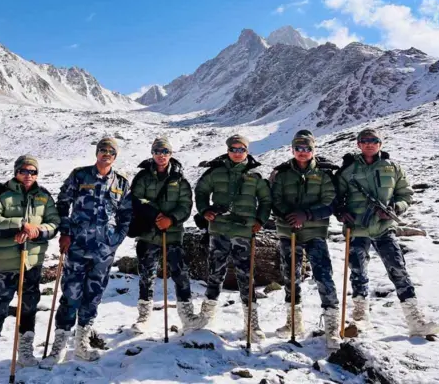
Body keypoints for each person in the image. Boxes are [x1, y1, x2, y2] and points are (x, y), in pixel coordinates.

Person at [335, 128, 439, 336]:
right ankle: (360, 316)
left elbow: (406, 194)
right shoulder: (348, 170)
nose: (369, 144)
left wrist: (396, 208)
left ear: (380, 144)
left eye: (374, 140)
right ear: (358, 144)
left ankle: (414, 319)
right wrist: (340, 211)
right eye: (364, 141)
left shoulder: (392, 168)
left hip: (384, 228)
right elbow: (336, 196)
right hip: (357, 228)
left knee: (398, 269)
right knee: (357, 272)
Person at [40, 137, 132, 368]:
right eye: (102, 150)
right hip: (77, 247)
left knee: (93, 298)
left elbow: (126, 215)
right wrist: (65, 232)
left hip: (104, 252)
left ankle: (81, 345)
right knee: (70, 296)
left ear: (115, 156)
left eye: (110, 151)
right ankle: (58, 348)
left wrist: (116, 239)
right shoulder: (80, 176)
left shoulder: (121, 183)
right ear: (96, 153)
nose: (106, 154)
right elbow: (62, 203)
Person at [0, 155, 59, 381]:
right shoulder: (2, 194)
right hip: (6, 263)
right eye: (24, 171)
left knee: (29, 306)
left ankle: (25, 352)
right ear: (16, 172)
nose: (29, 175)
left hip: (32, 261)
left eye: (33, 172)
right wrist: (19, 225)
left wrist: (37, 231)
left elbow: (54, 223)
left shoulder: (43, 196)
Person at [194, 134, 271, 342]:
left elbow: (265, 200)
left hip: (244, 231)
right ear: (228, 150)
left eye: (241, 149)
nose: (237, 153)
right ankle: (206, 316)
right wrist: (204, 210)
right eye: (233, 149)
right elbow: (201, 191)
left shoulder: (256, 175)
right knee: (214, 272)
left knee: (246, 276)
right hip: (219, 229)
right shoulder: (215, 172)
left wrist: (261, 220)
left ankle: (252, 323)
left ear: (247, 151)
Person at [270, 130, 341, 349]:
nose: (303, 152)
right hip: (287, 230)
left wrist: (307, 215)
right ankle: (294, 321)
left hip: (315, 231)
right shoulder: (281, 174)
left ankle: (332, 327)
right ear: (292, 149)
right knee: (290, 275)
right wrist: (289, 215)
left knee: (323, 275)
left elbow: (331, 201)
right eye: (298, 148)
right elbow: (274, 199)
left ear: (313, 150)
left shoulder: (324, 174)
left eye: (307, 148)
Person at [129, 137, 202, 333]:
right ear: (152, 154)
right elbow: (135, 198)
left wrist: (171, 219)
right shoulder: (143, 177)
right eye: (158, 152)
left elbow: (186, 205)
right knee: (146, 274)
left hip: (173, 234)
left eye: (165, 152)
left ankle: (187, 314)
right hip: (147, 233)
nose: (161, 156)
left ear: (171, 154)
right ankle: (144, 315)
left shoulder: (180, 180)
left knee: (180, 273)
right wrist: (154, 215)